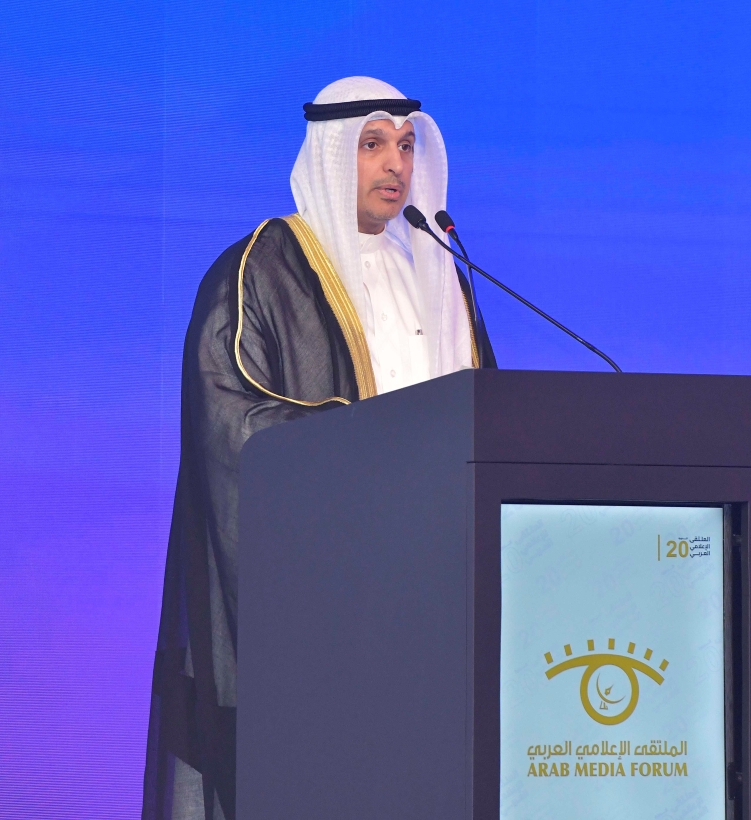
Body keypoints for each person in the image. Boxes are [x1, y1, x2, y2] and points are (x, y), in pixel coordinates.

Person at [141, 76, 496, 820]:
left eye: (406, 146)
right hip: (323, 598)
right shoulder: (261, 268)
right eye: (373, 145)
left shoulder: (440, 275)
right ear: (332, 154)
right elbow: (230, 419)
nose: (396, 164)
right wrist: (374, 454)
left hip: (434, 595)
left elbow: (488, 421)